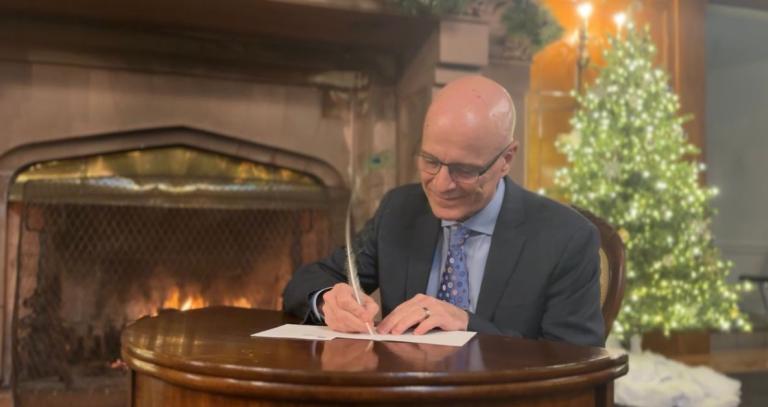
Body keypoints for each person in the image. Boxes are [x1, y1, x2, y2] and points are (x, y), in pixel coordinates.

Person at [282, 75, 604, 347]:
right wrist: (328, 300)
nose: (441, 184)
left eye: (464, 170)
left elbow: (574, 361)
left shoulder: (565, 238)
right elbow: (308, 280)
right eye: (430, 161)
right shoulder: (400, 210)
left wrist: (467, 324)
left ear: (506, 159)